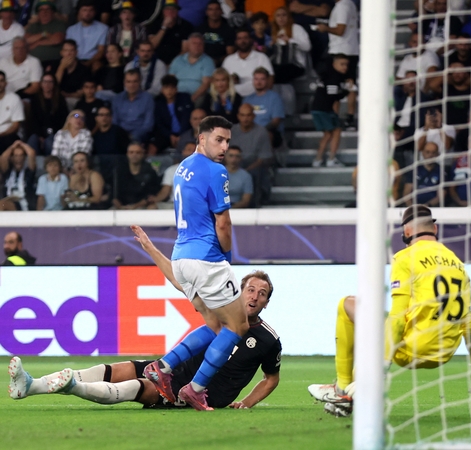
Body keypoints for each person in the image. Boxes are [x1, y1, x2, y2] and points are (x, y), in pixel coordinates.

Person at [9, 226, 281, 410]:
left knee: (133, 388)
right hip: (168, 370)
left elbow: (271, 377)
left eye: (262, 294)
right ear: (239, 291)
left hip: (191, 391)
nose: (255, 296)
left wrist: (246, 402)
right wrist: (150, 248)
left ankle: (73, 386)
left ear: (267, 303)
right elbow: (179, 281)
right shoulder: (220, 310)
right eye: (250, 290)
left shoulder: (268, 340)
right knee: (112, 370)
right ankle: (31, 385)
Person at [307, 205, 471, 417]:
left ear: (406, 231)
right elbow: (470, 326)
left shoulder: (405, 258)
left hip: (411, 350)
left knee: (348, 305)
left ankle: (342, 389)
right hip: (443, 353)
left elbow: (397, 318)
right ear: (435, 228)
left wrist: (380, 372)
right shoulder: (458, 264)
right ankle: (347, 397)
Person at [142, 115, 251, 412]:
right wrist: (226, 258)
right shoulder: (216, 171)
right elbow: (224, 224)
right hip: (207, 259)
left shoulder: (183, 167)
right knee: (238, 325)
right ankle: (196, 388)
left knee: (215, 324)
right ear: (201, 138)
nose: (225, 146)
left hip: (181, 257)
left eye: (228, 140)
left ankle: (163, 367)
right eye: (219, 139)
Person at [318, 0, 358, 129]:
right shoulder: (351, 4)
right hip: (351, 50)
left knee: (334, 85)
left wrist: (326, 28)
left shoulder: (342, 6)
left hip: (339, 51)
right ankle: (350, 117)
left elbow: (340, 30)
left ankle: (334, 117)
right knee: (350, 84)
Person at [310, 55, 349, 167]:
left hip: (317, 108)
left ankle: (318, 160)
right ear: (334, 64)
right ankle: (331, 159)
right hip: (324, 109)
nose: (344, 67)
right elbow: (333, 95)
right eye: (342, 64)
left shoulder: (326, 75)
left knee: (328, 134)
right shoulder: (334, 77)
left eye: (346, 64)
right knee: (336, 131)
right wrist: (346, 91)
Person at [229, 103, 272, 201]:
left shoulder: (262, 132)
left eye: (248, 115)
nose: (245, 119)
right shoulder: (231, 131)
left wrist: (245, 171)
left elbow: (263, 158)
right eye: (243, 115)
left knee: (255, 174)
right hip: (233, 164)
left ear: (254, 116)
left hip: (253, 166)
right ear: (238, 116)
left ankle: (253, 205)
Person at [222, 29, 272, 98]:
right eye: (239, 38)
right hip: (233, 98)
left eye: (245, 38)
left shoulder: (261, 57)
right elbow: (222, 80)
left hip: (257, 98)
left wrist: (263, 98)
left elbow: (270, 79)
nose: (242, 41)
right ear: (235, 41)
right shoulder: (228, 60)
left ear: (251, 40)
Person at [243, 67, 284, 149]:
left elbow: (276, 121)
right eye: (256, 79)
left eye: (262, 79)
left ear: (268, 80)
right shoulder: (247, 99)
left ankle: (266, 160)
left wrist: (260, 132)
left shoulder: (275, 97)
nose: (259, 82)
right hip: (249, 131)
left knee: (268, 134)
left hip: (269, 132)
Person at [27, 72, 68, 155]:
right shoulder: (35, 99)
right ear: (41, 84)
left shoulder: (60, 99)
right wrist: (40, 136)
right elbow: (33, 120)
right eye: (45, 82)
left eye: (50, 82)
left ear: (54, 84)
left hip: (56, 132)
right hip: (38, 132)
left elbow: (64, 119)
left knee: (49, 142)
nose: (47, 84)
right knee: (32, 140)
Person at [267, 7, 310, 84]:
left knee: (277, 73)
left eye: (284, 15)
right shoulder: (276, 32)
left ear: (288, 17)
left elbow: (307, 47)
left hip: (296, 64)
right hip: (280, 63)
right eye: (278, 15)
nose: (281, 18)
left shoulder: (297, 28)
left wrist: (290, 40)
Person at [169, 32, 214, 104]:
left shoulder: (208, 61)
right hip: (177, 96)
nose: (197, 46)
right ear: (188, 45)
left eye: (200, 44)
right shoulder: (178, 60)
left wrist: (192, 98)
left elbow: (206, 84)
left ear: (203, 46)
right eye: (194, 43)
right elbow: (170, 81)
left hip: (197, 97)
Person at [111, 142, 160, 209]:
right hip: (120, 207)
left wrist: (135, 206)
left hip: (141, 206)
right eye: (131, 152)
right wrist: (120, 207)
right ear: (127, 154)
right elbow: (113, 193)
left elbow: (150, 195)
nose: (134, 155)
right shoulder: (119, 170)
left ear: (142, 154)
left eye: (138, 152)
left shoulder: (149, 170)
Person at [147, 141, 196, 209]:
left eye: (193, 150)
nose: (191, 153)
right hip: (174, 204)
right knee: (152, 207)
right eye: (188, 150)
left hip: (195, 205)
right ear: (183, 152)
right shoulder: (172, 170)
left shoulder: (205, 170)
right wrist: (155, 199)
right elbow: (165, 191)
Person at [111, 69, 154, 143]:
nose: (131, 85)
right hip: (120, 136)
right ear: (124, 83)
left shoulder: (147, 98)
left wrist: (133, 136)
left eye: (135, 81)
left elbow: (148, 125)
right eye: (128, 82)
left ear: (140, 82)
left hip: (140, 136)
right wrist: (121, 135)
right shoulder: (117, 99)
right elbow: (114, 122)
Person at [153, 74, 194, 153]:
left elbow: (186, 119)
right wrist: (170, 135)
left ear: (176, 89)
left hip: (185, 133)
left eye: (172, 88)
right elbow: (159, 123)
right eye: (166, 88)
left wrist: (181, 136)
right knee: (152, 148)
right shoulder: (158, 103)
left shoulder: (184, 98)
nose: (169, 91)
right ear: (162, 90)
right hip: (166, 135)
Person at [65, 0, 108, 72]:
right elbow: (67, 49)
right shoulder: (71, 29)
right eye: (84, 10)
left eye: (90, 10)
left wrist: (89, 63)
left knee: (97, 65)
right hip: (75, 60)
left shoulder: (103, 28)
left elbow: (101, 51)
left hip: (92, 60)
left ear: (94, 12)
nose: (87, 13)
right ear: (79, 12)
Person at [146, 0, 194, 65]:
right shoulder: (154, 24)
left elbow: (185, 50)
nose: (170, 12)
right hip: (156, 62)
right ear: (163, 11)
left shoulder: (186, 26)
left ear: (177, 11)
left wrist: (172, 64)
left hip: (177, 63)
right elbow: (152, 46)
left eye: (173, 9)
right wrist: (164, 27)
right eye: (167, 9)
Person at [24, 0, 66, 73]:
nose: (44, 12)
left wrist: (37, 43)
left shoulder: (59, 24)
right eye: (41, 10)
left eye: (48, 9)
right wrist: (44, 34)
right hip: (33, 62)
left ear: (53, 12)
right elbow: (27, 40)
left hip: (53, 61)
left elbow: (57, 40)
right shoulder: (33, 26)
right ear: (38, 13)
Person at [402, 141, 447, 207]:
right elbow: (406, 192)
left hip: (433, 208)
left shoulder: (442, 172)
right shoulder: (414, 170)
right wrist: (411, 207)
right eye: (427, 152)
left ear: (437, 154)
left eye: (433, 152)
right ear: (423, 153)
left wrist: (426, 206)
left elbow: (441, 196)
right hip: (413, 207)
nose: (430, 155)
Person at [0, 141, 36, 210]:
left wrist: (21, 144)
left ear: (24, 157)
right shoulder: (8, 172)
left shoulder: (28, 173)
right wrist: (12, 146)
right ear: (12, 158)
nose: (18, 158)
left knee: (1, 204)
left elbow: (31, 153)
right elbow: (3, 157)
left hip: (23, 204)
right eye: (16, 156)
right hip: (7, 201)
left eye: (21, 155)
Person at [198, 0, 235, 66]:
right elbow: (196, 49)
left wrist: (218, 61)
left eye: (217, 9)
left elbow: (230, 54)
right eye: (211, 9)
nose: (214, 12)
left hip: (222, 64)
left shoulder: (229, 30)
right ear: (207, 12)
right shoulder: (200, 29)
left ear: (221, 11)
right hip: (202, 63)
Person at [0, 71, 24, 151]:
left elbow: (15, 126)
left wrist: (1, 134)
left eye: (1, 81)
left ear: (6, 83)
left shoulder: (14, 98)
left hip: (9, 134)